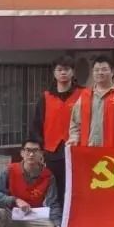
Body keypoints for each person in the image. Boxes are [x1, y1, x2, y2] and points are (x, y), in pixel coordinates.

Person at [67, 55, 114, 227]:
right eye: (96, 70)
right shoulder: (84, 96)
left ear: (112, 72)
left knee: (112, 198)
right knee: (90, 197)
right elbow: (75, 124)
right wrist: (74, 138)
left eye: (104, 69)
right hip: (88, 156)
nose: (100, 73)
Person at [29, 55, 84, 208]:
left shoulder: (84, 94)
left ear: (73, 72)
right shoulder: (45, 97)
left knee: (77, 187)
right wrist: (39, 151)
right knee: (55, 188)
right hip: (51, 151)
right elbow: (36, 125)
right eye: (59, 70)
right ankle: (57, 218)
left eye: (66, 69)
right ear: (54, 73)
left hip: (77, 149)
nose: (63, 73)